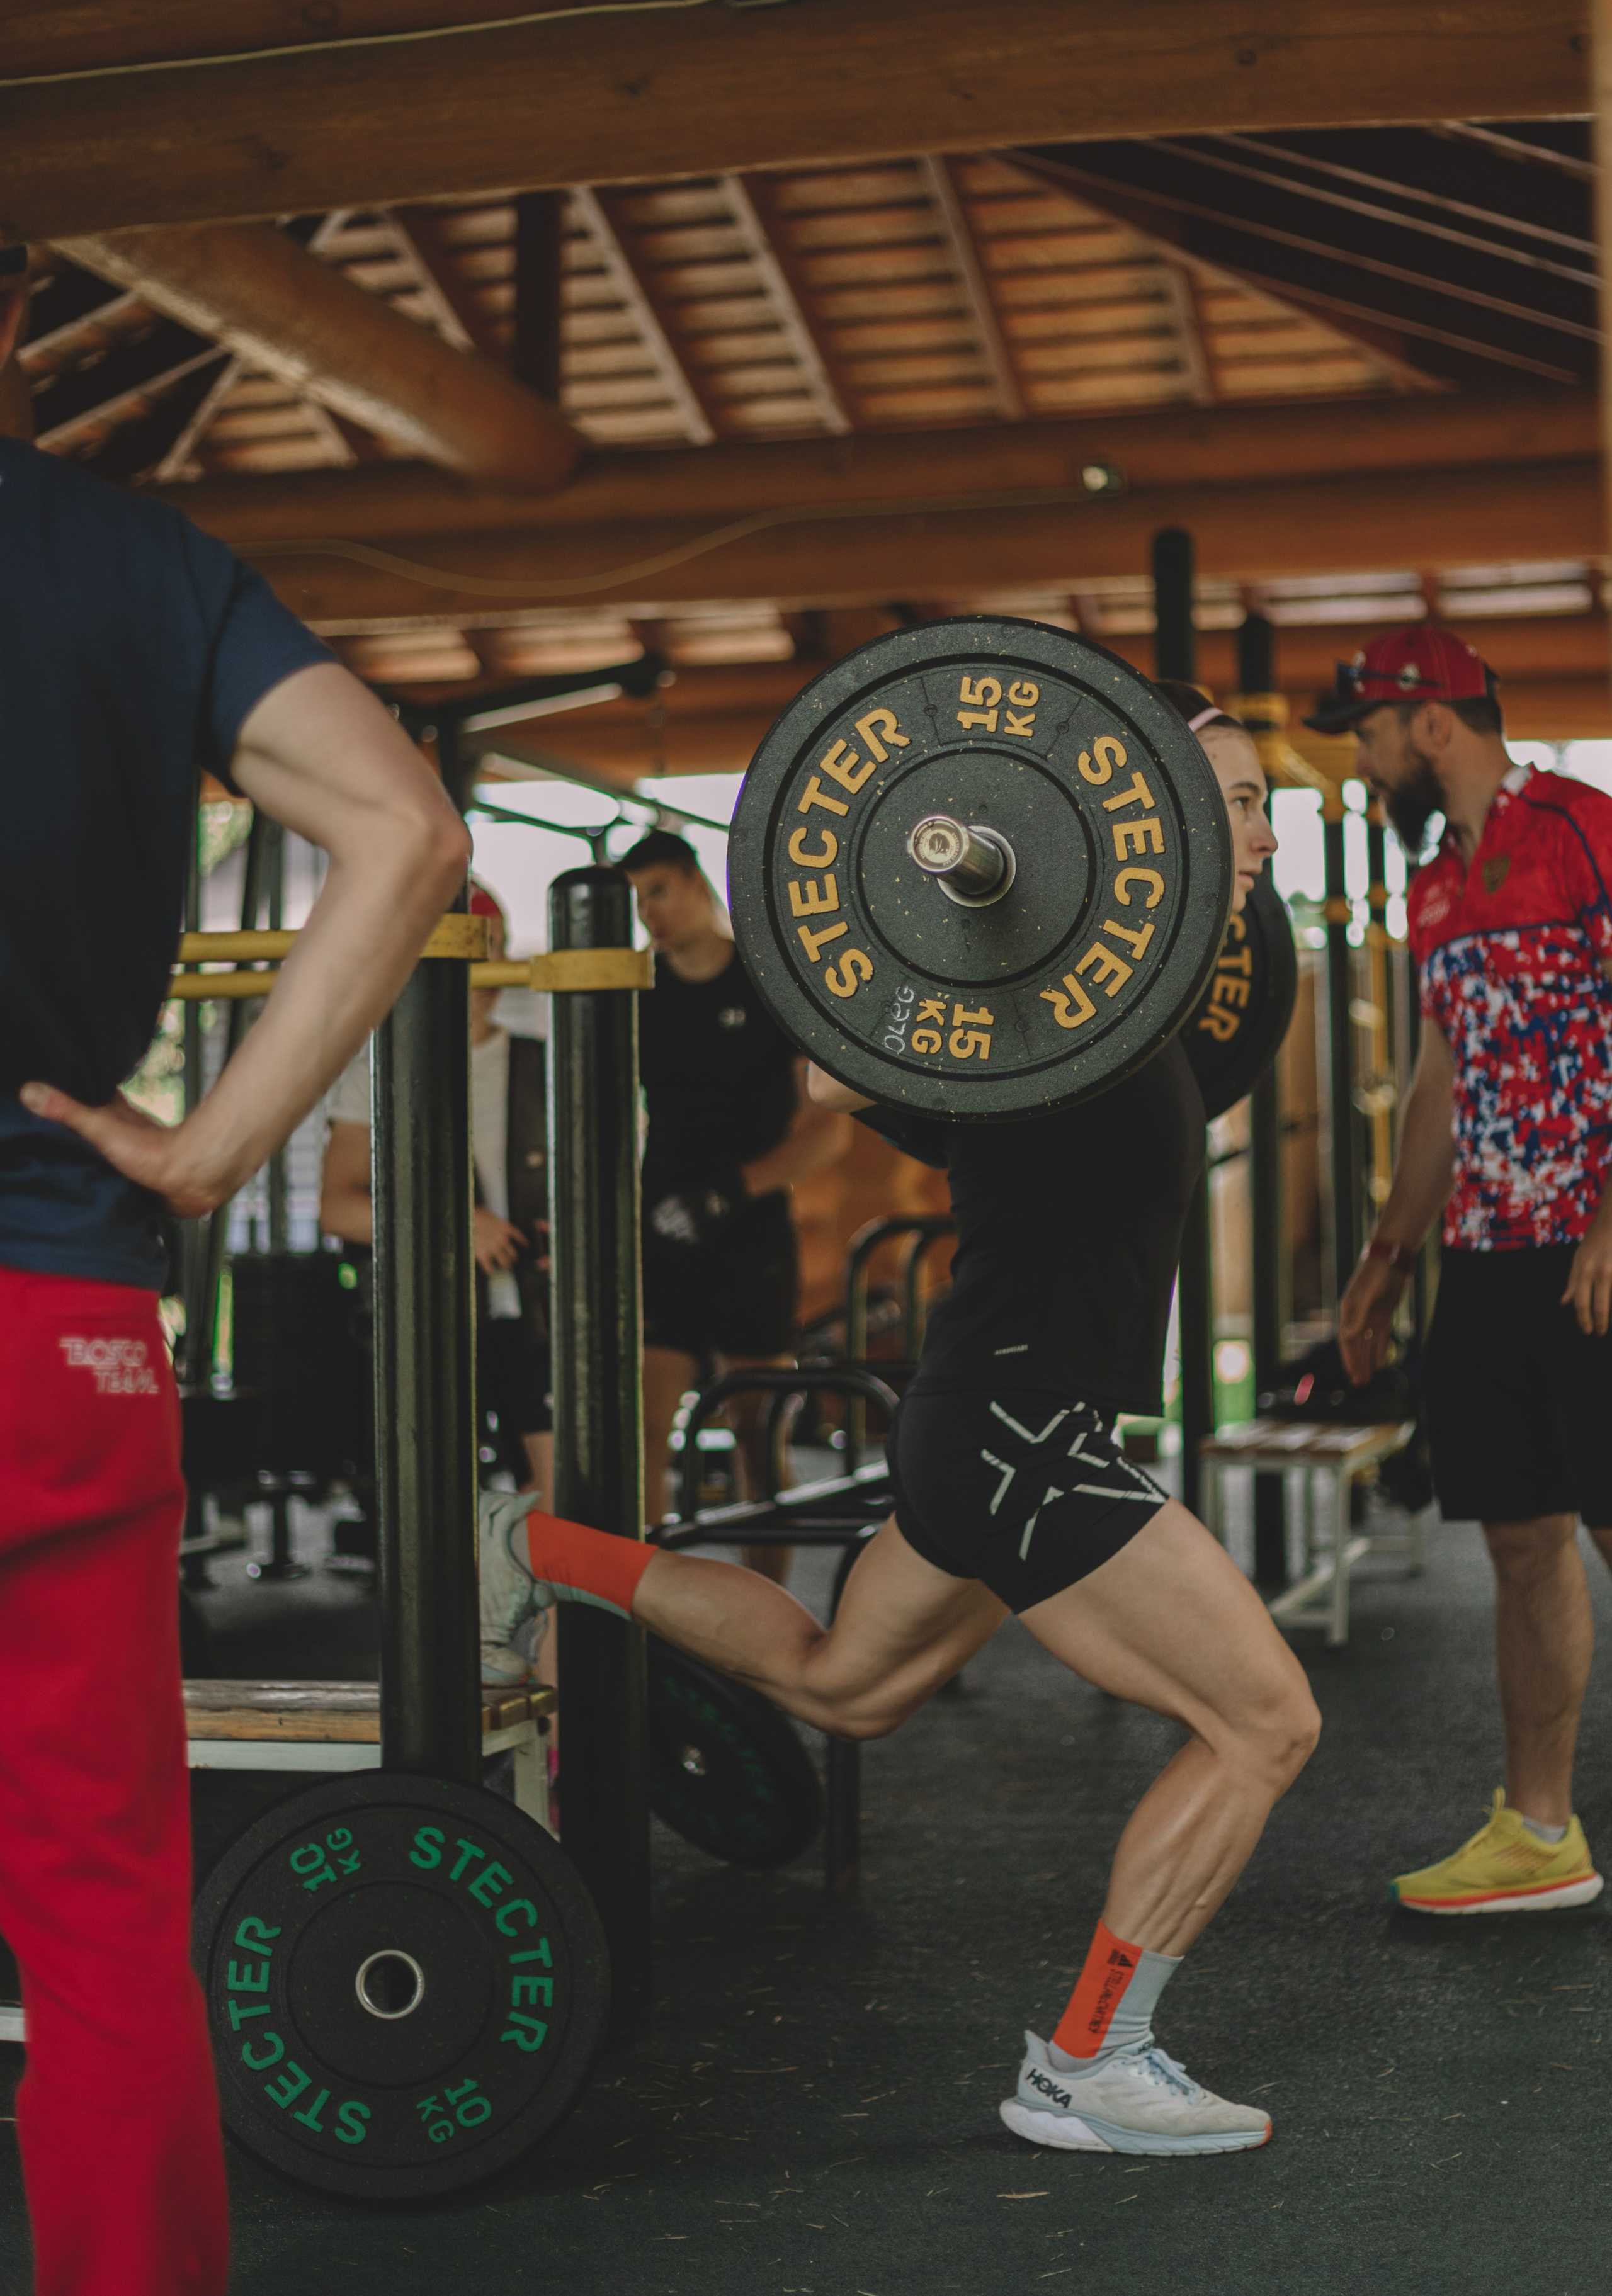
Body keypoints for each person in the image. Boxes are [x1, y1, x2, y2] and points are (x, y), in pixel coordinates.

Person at [484, 691, 1320, 2159]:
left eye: (1259, 801)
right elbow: (841, 1056)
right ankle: (1089, 2056)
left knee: (839, 1686)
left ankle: (540, 1543)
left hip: (986, 1418)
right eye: (1224, 796)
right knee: (1263, 1720)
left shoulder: (1134, 1009)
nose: (1249, 828)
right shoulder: (1036, 991)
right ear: (1131, 816)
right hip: (1018, 1426)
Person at [0, 256, 468, 2296]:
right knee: (102, 1927)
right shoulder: (132, 564)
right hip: (59, 1321)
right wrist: (208, 1153)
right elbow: (405, 827)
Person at [1326, 625, 1612, 1917]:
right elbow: (1439, 1080)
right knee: (1516, 1536)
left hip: (1591, 1240)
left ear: (1426, 723)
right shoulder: (1433, 882)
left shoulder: (1582, 827)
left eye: (1367, 735)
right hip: (1483, 1255)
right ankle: (1538, 1832)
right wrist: (1388, 1252)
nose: (1362, 760)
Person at [617, 828, 850, 1553]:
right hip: (664, 1226)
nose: (648, 911)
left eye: (657, 890)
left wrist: (727, 1192)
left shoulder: (765, 982)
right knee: (643, 1431)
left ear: (693, 882)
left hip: (750, 1234)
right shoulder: (637, 991)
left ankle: (767, 1639)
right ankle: (644, 1629)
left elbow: (827, 1132)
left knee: (755, 1431)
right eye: (635, 899)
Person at [319, 878, 553, 1550]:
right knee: (433, 1519)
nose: (490, 968)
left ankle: (564, 1654)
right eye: (473, 948)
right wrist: (456, 1224)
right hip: (434, 1319)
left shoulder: (547, 1061)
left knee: (570, 1510)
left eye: (499, 946)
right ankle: (469, 1650)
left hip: (535, 1316)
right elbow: (338, 1207)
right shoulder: (380, 1062)